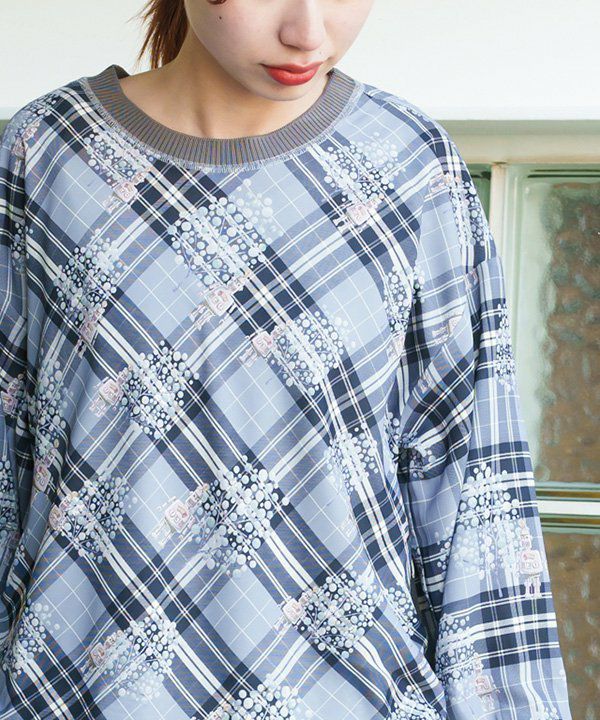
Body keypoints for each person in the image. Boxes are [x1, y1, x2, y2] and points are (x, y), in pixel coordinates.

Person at [0, 1, 572, 718]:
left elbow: (474, 491)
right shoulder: (45, 153)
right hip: (77, 696)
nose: (308, 33)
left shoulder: (407, 164)